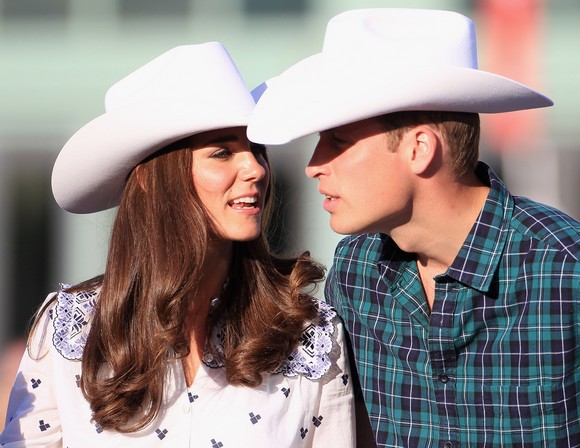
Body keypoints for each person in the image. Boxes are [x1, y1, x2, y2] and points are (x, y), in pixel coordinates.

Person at [247, 8, 580, 448]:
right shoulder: (356, 272)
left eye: (338, 142)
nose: (313, 166)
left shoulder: (566, 272)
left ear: (420, 148)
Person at [0, 42, 356, 447]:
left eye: (258, 151)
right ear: (152, 180)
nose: (255, 168)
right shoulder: (70, 330)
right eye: (222, 152)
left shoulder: (310, 336)